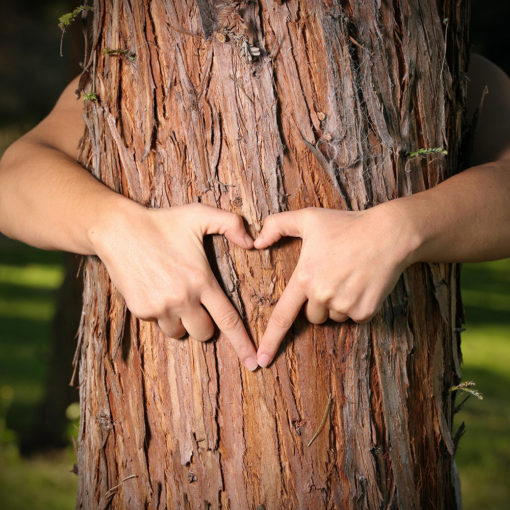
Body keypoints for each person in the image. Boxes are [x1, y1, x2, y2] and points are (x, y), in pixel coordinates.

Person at [0, 54, 509, 371]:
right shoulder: (130, 61)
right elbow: (12, 179)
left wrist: (404, 228)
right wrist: (114, 227)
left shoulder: (443, 59)